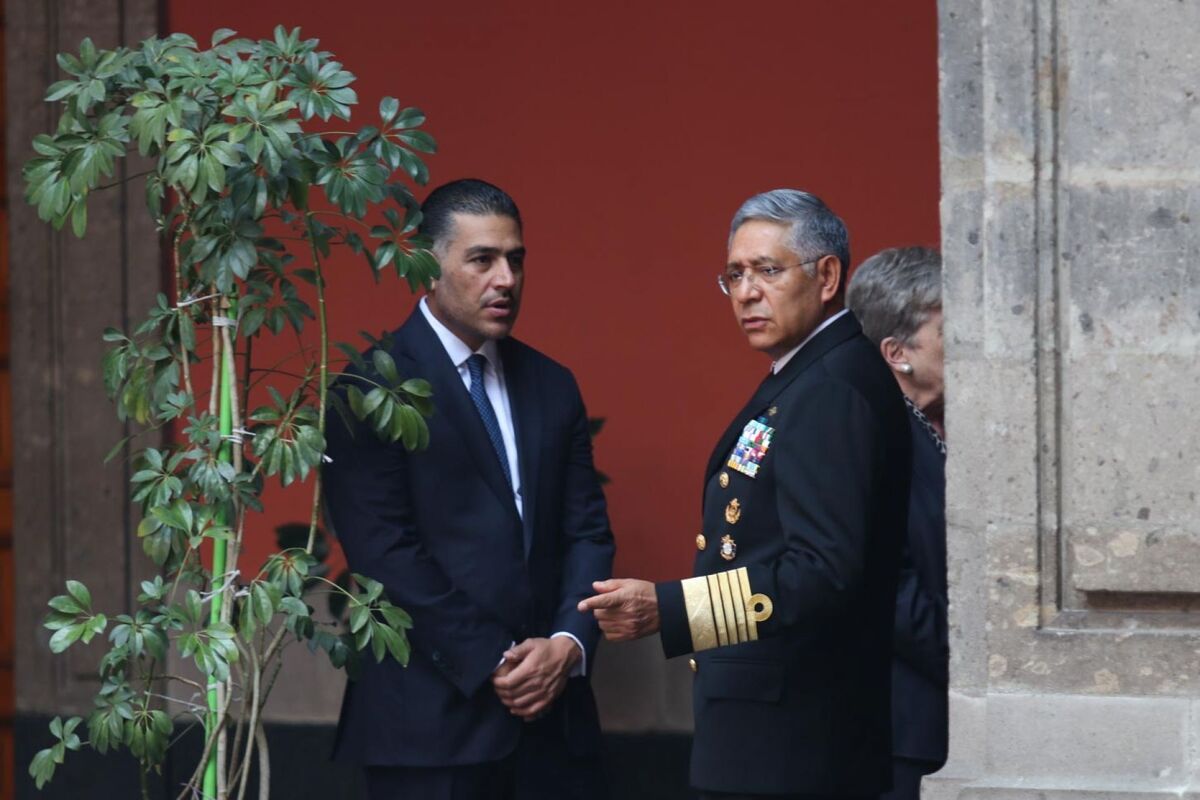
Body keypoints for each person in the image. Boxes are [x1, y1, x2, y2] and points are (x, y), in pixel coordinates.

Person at [579, 189, 911, 799]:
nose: (746, 293)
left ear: (827, 276)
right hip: (772, 734)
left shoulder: (830, 388)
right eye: (734, 275)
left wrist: (674, 610)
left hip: (792, 745)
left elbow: (822, 573)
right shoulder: (812, 374)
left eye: (767, 270)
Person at [323, 179, 615, 800]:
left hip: (553, 725)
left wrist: (567, 644)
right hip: (429, 727)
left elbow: (587, 532)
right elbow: (384, 554)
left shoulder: (553, 385)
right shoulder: (370, 387)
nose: (505, 279)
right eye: (482, 259)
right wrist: (497, 661)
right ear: (427, 267)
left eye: (516, 259)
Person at [847, 247, 947, 800]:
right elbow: (892, 589)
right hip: (903, 729)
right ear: (897, 353)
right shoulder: (874, 437)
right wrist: (977, 661)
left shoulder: (943, 427)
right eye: (950, 330)